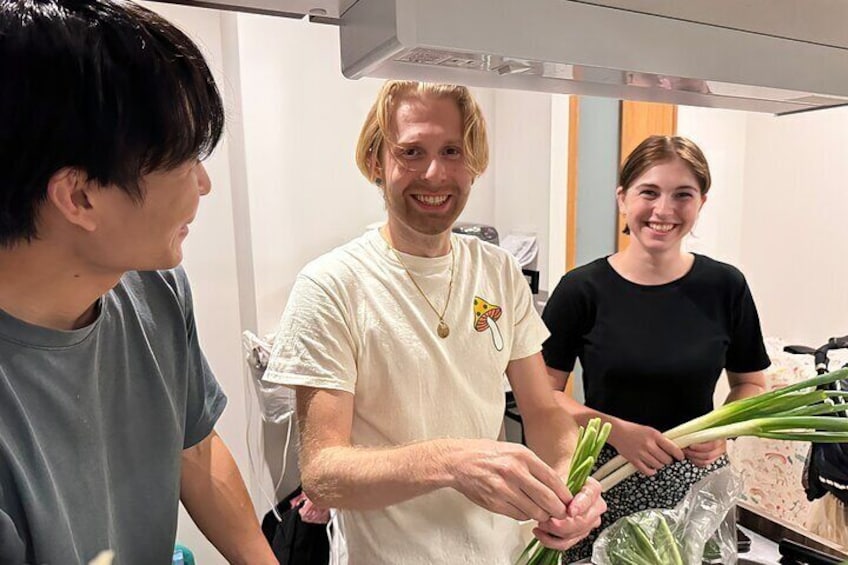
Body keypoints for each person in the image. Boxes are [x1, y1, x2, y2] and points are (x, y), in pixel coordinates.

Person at [263, 80, 606, 564]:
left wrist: (571, 478)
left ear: (474, 163)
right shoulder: (332, 284)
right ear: (375, 163)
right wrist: (450, 462)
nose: (434, 173)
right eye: (410, 152)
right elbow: (323, 472)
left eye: (451, 151)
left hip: (507, 553)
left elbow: (544, 410)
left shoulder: (499, 271)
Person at [0, 1, 277, 563]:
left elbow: (191, 447)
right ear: (80, 197)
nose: (203, 184)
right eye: (184, 161)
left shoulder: (154, 289)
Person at [542, 134, 770, 561]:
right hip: (604, 485)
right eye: (649, 192)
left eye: (682, 195)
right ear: (623, 199)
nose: (663, 210)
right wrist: (615, 430)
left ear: (701, 202)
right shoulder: (581, 290)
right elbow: (542, 397)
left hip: (698, 488)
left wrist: (722, 430)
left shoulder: (726, 287)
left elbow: (750, 384)